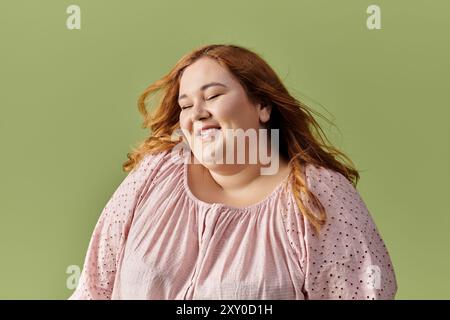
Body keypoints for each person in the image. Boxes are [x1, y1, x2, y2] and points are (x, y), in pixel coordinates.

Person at [69, 44, 397, 300]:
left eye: (213, 95)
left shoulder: (315, 193)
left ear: (263, 106)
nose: (197, 113)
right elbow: (93, 289)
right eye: (185, 105)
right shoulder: (154, 174)